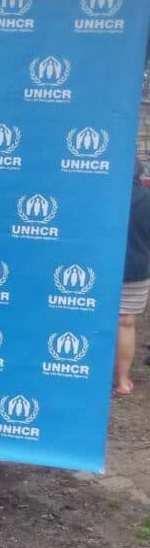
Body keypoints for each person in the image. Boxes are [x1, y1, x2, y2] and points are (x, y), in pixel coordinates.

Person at [114, 156, 150, 396]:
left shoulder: (101, 197)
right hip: (135, 268)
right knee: (125, 322)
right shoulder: (148, 199)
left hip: (99, 268)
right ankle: (123, 380)